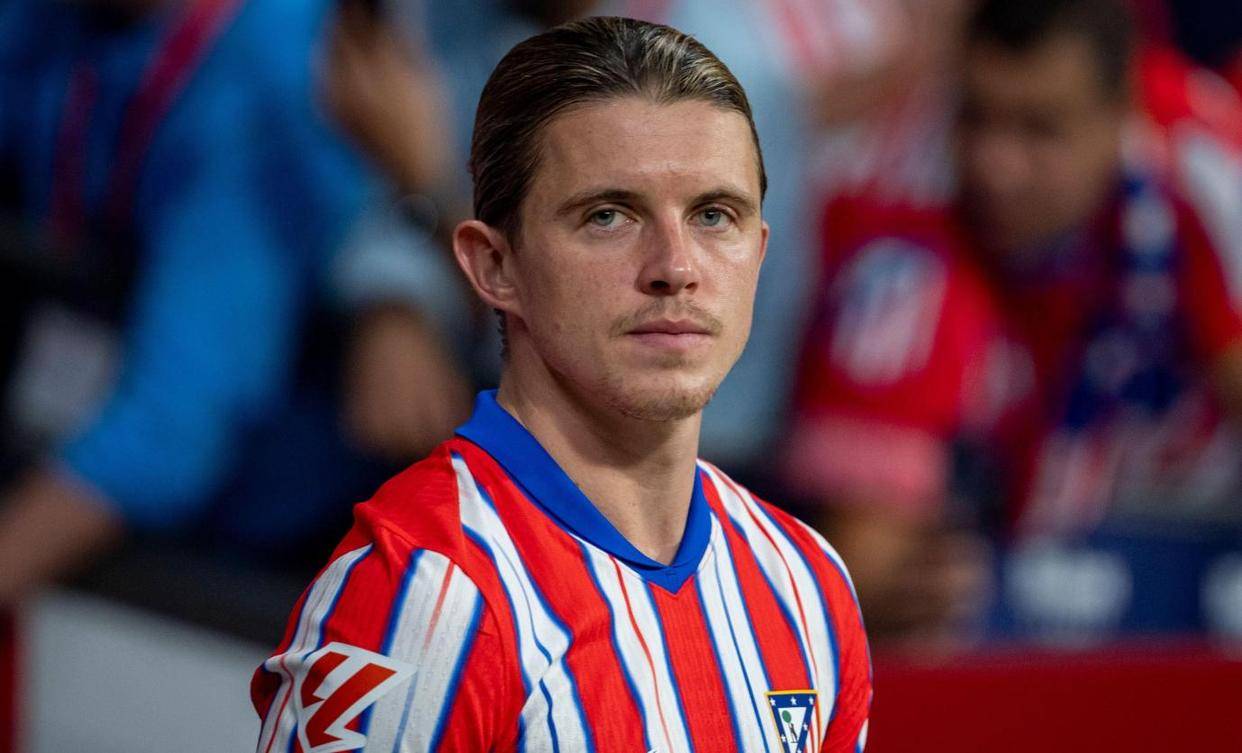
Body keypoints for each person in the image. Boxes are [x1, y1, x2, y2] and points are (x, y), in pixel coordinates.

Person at [252, 16, 871, 752]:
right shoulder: (421, 594)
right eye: (608, 216)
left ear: (761, 253)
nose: (676, 266)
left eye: (714, 215)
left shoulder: (807, 585)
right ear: (495, 266)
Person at [785, 0, 1242, 643]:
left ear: (1121, 116)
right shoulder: (902, 232)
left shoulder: (1207, 166)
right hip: (1000, 563)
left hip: (1193, 517)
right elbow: (866, 566)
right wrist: (893, 597)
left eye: (1040, 129)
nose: (995, 165)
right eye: (976, 117)